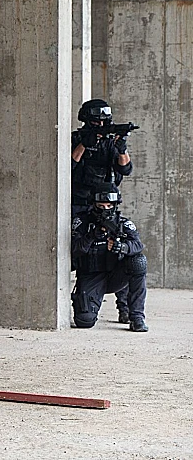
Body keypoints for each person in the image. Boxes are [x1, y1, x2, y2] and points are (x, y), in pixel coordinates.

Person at [71, 99, 134, 323]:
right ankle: (84, 292)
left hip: (106, 203)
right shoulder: (77, 139)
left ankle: (125, 307)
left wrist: (121, 148)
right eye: (95, 120)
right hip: (81, 203)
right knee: (84, 248)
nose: (100, 124)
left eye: (103, 120)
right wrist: (84, 145)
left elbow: (125, 169)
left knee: (119, 249)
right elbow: (67, 166)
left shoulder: (109, 143)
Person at [71, 183, 148, 332]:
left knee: (138, 262)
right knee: (84, 321)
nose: (105, 210)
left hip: (116, 276)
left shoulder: (122, 223)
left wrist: (122, 247)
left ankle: (136, 317)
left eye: (109, 206)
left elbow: (138, 245)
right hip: (91, 275)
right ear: (93, 204)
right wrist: (91, 236)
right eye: (101, 206)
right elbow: (73, 250)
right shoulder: (82, 222)